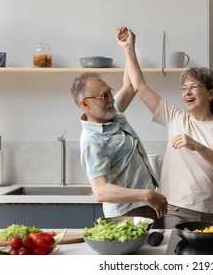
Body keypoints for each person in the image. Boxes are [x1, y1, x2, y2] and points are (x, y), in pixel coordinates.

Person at [117, 27, 213, 228]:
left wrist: (196, 145)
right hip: (176, 208)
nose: (187, 92)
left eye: (194, 87)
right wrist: (129, 48)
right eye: (184, 88)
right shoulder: (175, 118)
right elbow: (139, 87)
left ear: (212, 93)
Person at [70, 30, 167, 226]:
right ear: (85, 104)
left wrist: (128, 48)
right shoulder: (93, 141)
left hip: (147, 206)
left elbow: (131, 86)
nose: (111, 99)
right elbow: (101, 191)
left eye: (109, 92)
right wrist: (146, 194)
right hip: (126, 215)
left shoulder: (112, 113)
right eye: (103, 96)